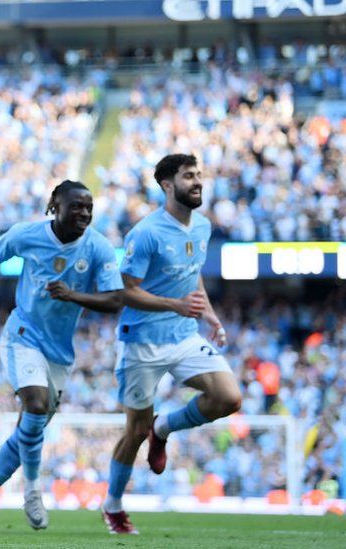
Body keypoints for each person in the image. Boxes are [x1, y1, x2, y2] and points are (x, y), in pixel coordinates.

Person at [0, 180, 124, 532]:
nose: (84, 213)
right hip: (23, 335)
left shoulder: (97, 247)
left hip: (59, 352)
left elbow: (115, 300)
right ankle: (33, 491)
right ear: (55, 205)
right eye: (76, 206)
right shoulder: (27, 235)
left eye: (88, 207)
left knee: (29, 428)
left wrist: (72, 296)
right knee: (35, 406)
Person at [101, 154, 241, 534]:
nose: (197, 182)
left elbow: (192, 277)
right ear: (167, 185)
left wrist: (209, 315)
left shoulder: (203, 227)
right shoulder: (146, 233)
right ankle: (112, 504)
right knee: (133, 431)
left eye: (199, 175)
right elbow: (124, 291)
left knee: (229, 398)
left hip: (183, 336)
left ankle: (162, 429)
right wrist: (175, 305)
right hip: (142, 342)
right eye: (188, 177)